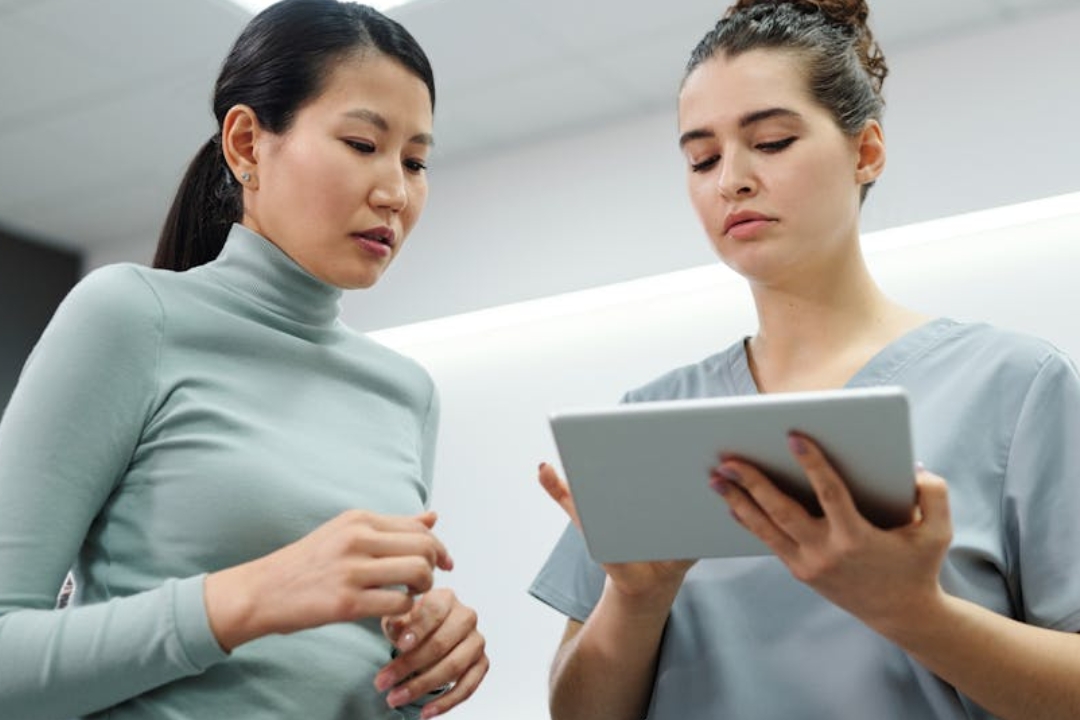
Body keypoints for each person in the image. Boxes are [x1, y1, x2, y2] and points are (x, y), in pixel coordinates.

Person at [530, 1, 1080, 718]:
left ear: (867, 151)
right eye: (701, 157)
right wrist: (635, 599)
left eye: (772, 141)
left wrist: (916, 613)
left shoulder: (1016, 388)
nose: (730, 179)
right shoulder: (649, 421)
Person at [0, 1, 488, 718]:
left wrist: (426, 659)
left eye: (415, 161)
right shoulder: (131, 316)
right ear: (247, 144)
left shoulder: (407, 393)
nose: (396, 192)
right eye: (362, 144)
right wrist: (251, 596)